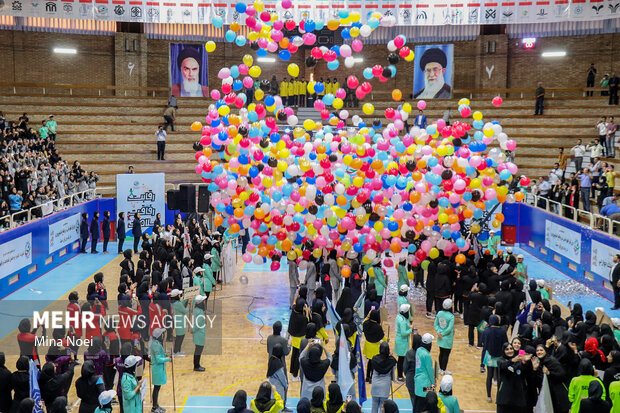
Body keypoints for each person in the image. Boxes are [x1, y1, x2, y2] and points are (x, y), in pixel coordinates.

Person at [480, 315, 507, 403]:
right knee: (499, 377)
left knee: (489, 376)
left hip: (489, 356)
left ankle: (489, 396)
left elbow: (483, 342)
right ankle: (499, 396)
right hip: (499, 357)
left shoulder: (486, 331)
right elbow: (505, 344)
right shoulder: (503, 331)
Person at [496, 343, 526, 413]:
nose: (509, 351)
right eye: (507, 349)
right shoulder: (500, 360)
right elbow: (504, 366)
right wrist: (512, 361)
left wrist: (525, 362)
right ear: (503, 351)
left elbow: (522, 370)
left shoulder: (518, 361)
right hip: (504, 398)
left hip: (517, 397)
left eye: (511, 348)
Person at [370, 341, 396, 413]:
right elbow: (393, 375)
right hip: (385, 387)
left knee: (374, 407)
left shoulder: (374, 358)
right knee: (383, 408)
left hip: (375, 385)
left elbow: (372, 370)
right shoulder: (392, 360)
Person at [414, 333, 435, 413]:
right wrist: (433, 384)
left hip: (418, 383)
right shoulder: (427, 355)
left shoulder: (418, 350)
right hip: (425, 386)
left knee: (416, 406)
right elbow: (430, 370)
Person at [434, 299, 455, 375]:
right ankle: (444, 369)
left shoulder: (439, 313)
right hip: (447, 338)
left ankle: (440, 369)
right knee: (446, 354)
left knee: (441, 353)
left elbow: (435, 324)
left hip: (440, 337)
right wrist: (443, 333)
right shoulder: (451, 316)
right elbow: (449, 329)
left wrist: (438, 332)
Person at [267, 344, 290, 412]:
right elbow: (282, 378)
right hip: (278, 388)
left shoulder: (271, 359)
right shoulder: (278, 364)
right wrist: (286, 385)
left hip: (271, 385)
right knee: (278, 407)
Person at [395, 303, 413, 382]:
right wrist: (410, 330)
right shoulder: (402, 321)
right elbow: (403, 333)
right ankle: (399, 376)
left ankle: (400, 375)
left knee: (401, 359)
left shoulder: (399, 316)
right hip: (402, 341)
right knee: (401, 360)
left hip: (401, 341)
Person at [192, 295, 207, 371]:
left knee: (197, 350)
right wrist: (193, 330)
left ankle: (197, 365)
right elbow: (198, 324)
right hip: (199, 333)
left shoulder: (195, 310)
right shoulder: (200, 312)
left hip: (197, 333)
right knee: (198, 350)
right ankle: (196, 366)